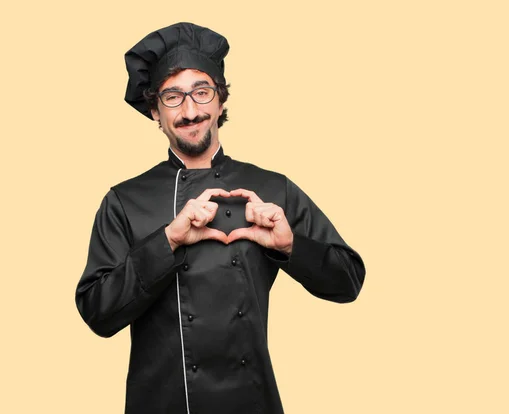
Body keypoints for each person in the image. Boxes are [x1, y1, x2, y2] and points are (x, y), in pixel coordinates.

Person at [75, 22, 366, 414]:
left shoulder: (271, 188)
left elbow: (348, 280)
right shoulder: (125, 201)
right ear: (155, 112)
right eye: (173, 97)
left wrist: (290, 246)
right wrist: (169, 241)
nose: (190, 110)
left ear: (221, 101)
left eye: (202, 92)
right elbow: (97, 312)